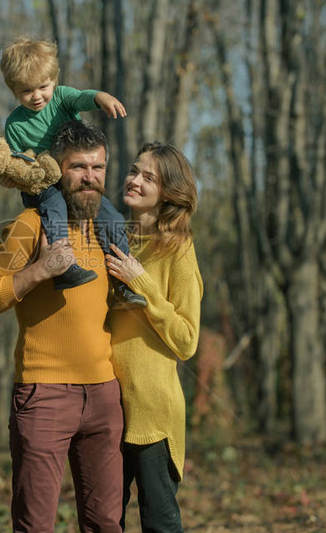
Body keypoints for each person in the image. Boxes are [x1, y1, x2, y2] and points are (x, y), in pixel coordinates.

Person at [0, 120, 125, 533]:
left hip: (105, 396)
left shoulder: (108, 229)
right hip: (44, 395)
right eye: (78, 167)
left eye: (98, 167)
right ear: (57, 169)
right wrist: (39, 271)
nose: (90, 178)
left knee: (107, 524)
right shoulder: (31, 225)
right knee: (36, 525)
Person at [0, 37, 145, 308]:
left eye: (43, 86)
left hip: (76, 185)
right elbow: (14, 159)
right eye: (26, 91)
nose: (37, 96)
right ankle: (64, 266)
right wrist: (13, 175)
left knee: (111, 217)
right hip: (43, 185)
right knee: (54, 204)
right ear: (14, 90)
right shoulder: (15, 124)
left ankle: (123, 284)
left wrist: (100, 97)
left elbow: (82, 97)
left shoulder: (62, 98)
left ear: (54, 79)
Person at [105, 142, 203, 532]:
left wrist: (139, 281)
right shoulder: (116, 240)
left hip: (152, 415)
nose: (135, 180)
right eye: (133, 171)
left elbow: (187, 340)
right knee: (104, 520)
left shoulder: (178, 250)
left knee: (159, 525)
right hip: (108, 409)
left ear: (168, 193)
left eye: (150, 177)